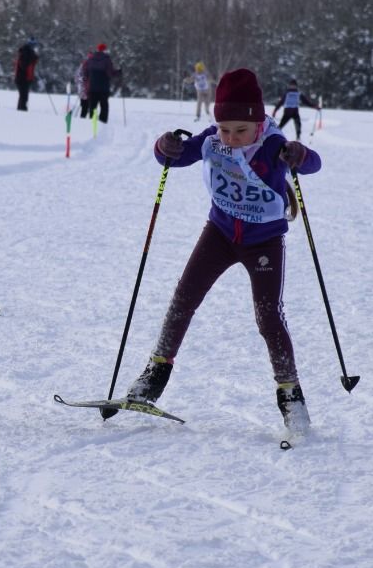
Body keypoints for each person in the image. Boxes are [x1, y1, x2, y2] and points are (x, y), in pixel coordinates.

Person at [118, 68, 321, 442]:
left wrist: (299, 154)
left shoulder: (274, 144)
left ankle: (291, 397)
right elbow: (174, 158)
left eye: (240, 131)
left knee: (268, 317)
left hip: (265, 241)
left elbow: (313, 164)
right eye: (225, 129)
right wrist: (165, 146)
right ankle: (154, 374)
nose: (231, 138)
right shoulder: (214, 140)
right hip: (220, 233)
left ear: (258, 123)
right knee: (184, 297)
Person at [80, 43, 118, 123]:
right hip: (104, 88)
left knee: (93, 106)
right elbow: (110, 73)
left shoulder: (90, 59)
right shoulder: (106, 59)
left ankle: (92, 122)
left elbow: (85, 73)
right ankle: (103, 122)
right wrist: (118, 72)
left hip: (92, 87)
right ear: (105, 50)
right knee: (104, 106)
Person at [14, 37, 39, 111]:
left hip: (27, 78)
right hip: (22, 78)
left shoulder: (30, 53)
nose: (34, 47)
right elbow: (24, 66)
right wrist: (33, 58)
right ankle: (22, 110)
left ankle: (20, 110)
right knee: (23, 96)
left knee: (24, 96)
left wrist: (35, 58)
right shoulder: (25, 52)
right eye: (33, 45)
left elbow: (32, 65)